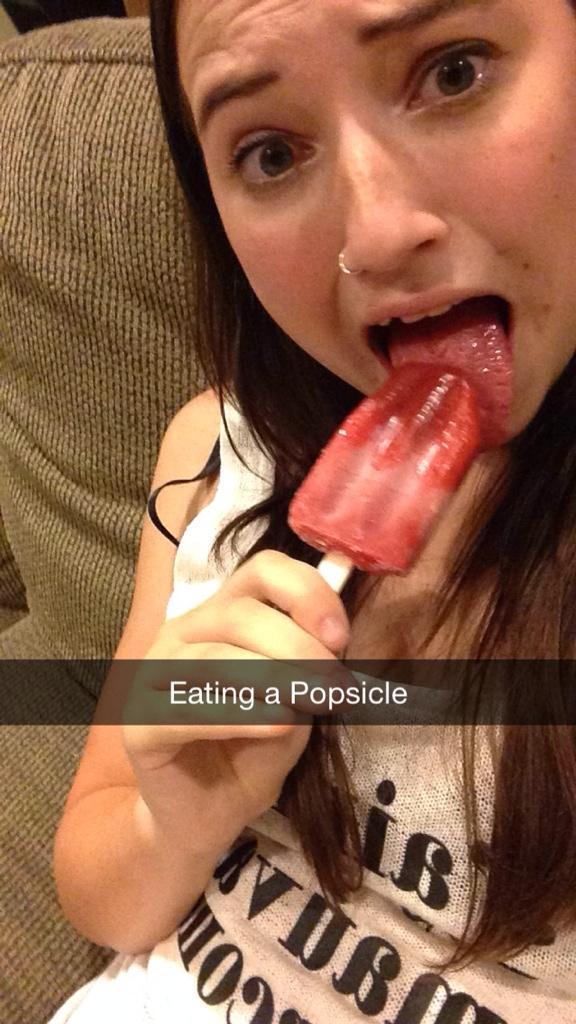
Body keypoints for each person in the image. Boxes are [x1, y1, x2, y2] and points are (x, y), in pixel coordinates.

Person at [47, 0, 576, 1020]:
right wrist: (177, 821)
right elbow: (102, 894)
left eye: (454, 70)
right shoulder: (217, 454)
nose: (377, 236)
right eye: (272, 153)